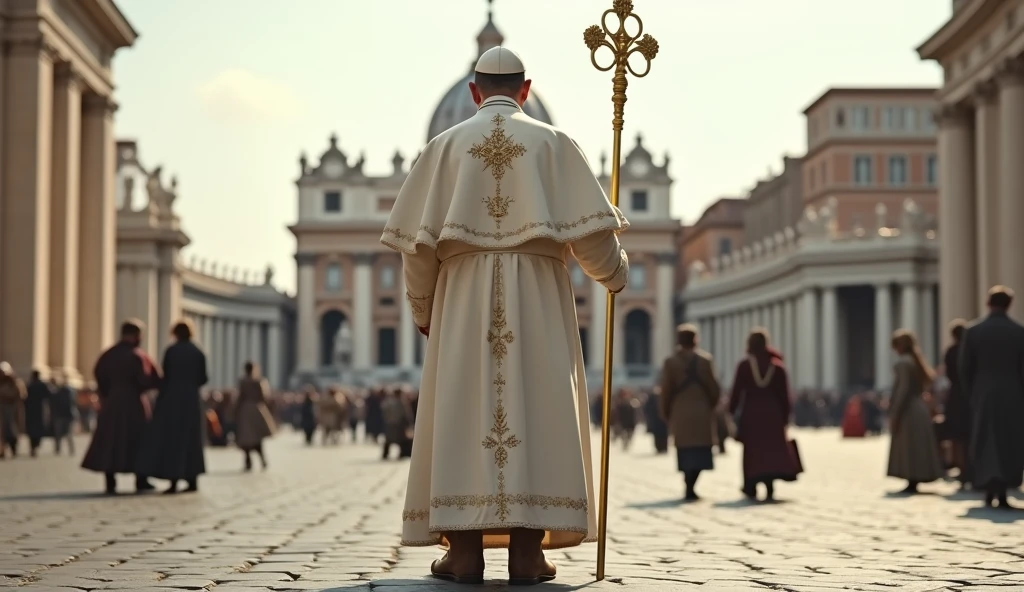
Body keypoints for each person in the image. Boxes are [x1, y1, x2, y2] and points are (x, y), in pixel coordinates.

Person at [379, 46, 629, 585]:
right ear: (526, 89)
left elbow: (417, 250)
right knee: (537, 407)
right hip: (538, 294)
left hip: (462, 297)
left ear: (473, 92)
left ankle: (463, 552)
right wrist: (615, 274)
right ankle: (527, 553)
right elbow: (592, 237)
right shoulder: (554, 144)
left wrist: (424, 310)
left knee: (464, 411)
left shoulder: (442, 148)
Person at [959, 286, 1024, 508]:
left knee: (984, 440)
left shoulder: (973, 331)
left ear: (988, 303)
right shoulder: (1018, 332)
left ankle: (987, 489)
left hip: (983, 393)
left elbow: (964, 368)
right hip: (1013, 393)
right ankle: (1004, 491)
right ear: (1009, 304)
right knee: (1009, 442)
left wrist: (973, 393)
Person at [81, 319, 160, 494]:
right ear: (136, 335)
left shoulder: (108, 355)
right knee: (139, 440)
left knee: (111, 441)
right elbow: (148, 379)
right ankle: (141, 479)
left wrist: (107, 394)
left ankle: (110, 480)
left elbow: (99, 376)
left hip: (112, 403)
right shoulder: (138, 356)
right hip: (135, 405)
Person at [729, 330, 800, 501]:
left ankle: (751, 484)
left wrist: (732, 411)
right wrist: (785, 416)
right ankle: (769, 485)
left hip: (751, 413)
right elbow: (785, 396)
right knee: (770, 449)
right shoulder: (777, 367)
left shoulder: (745, 366)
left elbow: (736, 392)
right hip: (772, 414)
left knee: (753, 451)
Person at [141, 320, 208, 494]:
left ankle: (173, 480)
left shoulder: (171, 351)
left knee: (173, 440)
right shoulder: (198, 352)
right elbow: (203, 378)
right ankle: (192, 480)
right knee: (192, 440)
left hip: (172, 399)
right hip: (191, 400)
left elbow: (166, 375)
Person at [659, 324, 721, 501]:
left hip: (680, 412)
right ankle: (692, 484)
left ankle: (688, 483)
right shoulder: (705, 360)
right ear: (695, 340)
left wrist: (665, 412)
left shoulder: (671, 362)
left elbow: (666, 390)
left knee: (685, 451)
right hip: (702, 411)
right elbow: (714, 388)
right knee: (702, 451)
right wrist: (711, 406)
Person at [886, 329, 945, 495]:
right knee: (916, 446)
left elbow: (902, 390)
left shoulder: (903, 363)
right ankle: (916, 477)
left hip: (909, 411)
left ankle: (911, 478)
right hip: (919, 408)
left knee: (909, 447)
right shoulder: (915, 361)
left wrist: (895, 413)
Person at [942, 319, 972, 487]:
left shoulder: (952, 351)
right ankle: (969, 468)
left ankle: (960, 467)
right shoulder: (970, 350)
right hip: (969, 396)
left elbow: (950, 375)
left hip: (955, 397)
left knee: (956, 437)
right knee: (968, 435)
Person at [235, 361, 276, 471]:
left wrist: (236, 410)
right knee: (257, 438)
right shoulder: (259, 381)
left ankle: (248, 461)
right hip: (257, 410)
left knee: (246, 438)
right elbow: (264, 396)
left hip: (245, 411)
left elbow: (240, 397)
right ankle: (262, 460)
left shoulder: (243, 381)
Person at [0, 362, 26, 458]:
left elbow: (21, 394)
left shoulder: (15, 382)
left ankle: (13, 448)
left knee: (12, 430)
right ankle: (2, 450)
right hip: (2, 409)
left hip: (13, 409)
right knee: (2, 432)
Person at [24, 370, 51, 457]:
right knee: (39, 429)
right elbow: (49, 396)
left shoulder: (30, 385)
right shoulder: (42, 385)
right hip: (40, 410)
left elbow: (25, 398)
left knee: (32, 430)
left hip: (31, 410)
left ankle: (33, 446)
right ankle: (36, 445)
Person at [381, 388, 414, 460]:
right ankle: (402, 454)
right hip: (399, 425)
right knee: (401, 440)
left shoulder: (388, 401)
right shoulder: (402, 402)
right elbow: (406, 414)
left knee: (389, 440)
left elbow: (384, 412)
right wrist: (409, 424)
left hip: (390, 424)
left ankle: (385, 454)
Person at [50, 375, 77, 455]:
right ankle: (68, 449)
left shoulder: (61, 391)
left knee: (61, 433)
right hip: (65, 415)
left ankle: (59, 449)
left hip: (63, 415)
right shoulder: (69, 391)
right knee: (66, 434)